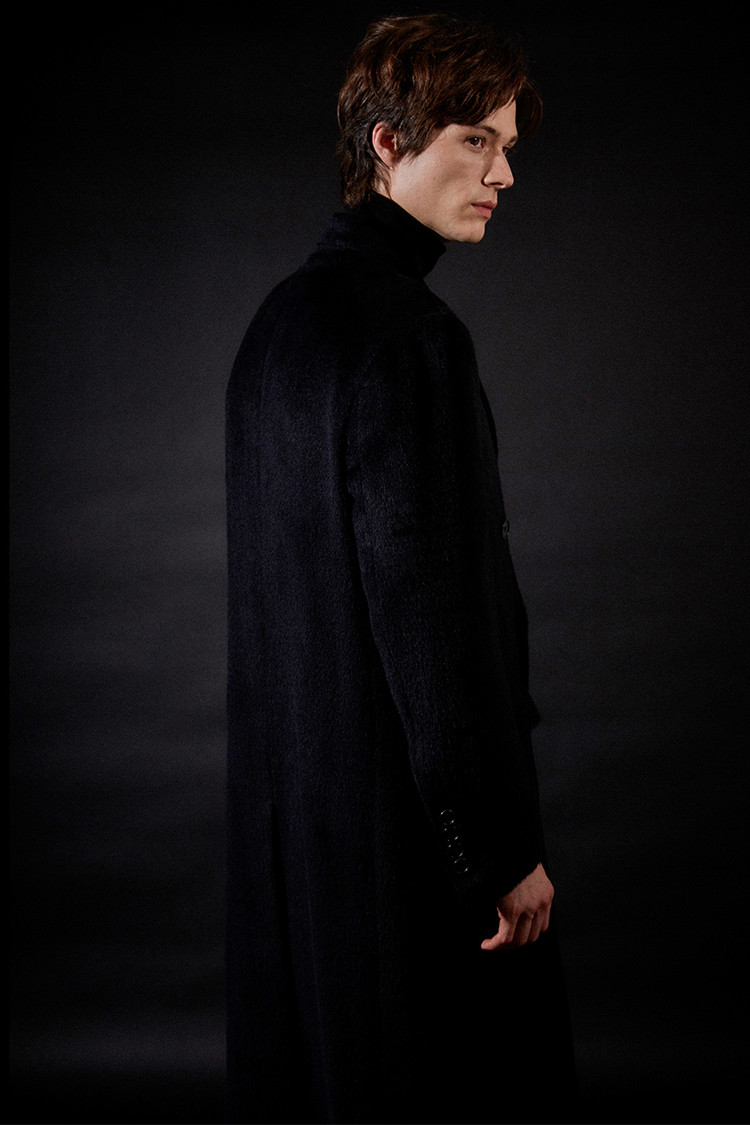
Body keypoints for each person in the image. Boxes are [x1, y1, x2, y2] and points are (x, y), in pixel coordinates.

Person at [226, 13, 577, 1124]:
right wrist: (497, 852)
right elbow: (432, 625)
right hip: (406, 855)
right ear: (388, 144)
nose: (504, 174)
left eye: (506, 145)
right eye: (477, 141)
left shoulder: (278, 328)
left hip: (300, 849)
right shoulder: (411, 339)